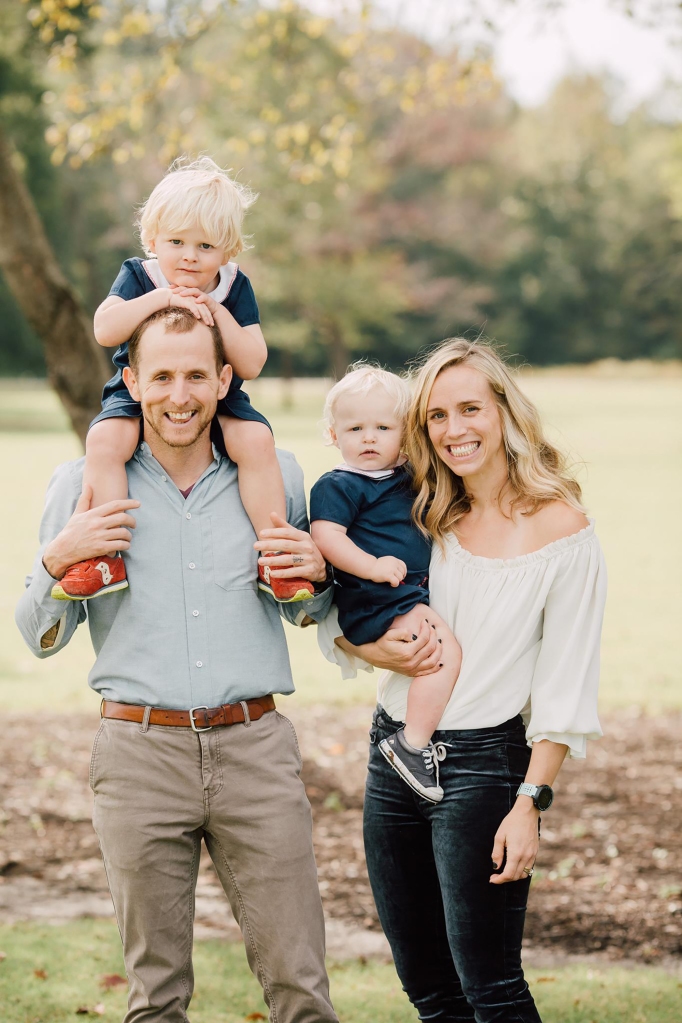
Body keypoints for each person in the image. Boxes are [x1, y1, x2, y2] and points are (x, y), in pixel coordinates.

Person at [16, 306, 338, 1023]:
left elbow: (308, 611)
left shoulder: (274, 473)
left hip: (255, 749)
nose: (180, 394)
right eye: (161, 375)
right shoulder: (83, 485)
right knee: (155, 996)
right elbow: (39, 634)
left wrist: (318, 576)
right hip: (137, 754)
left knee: (301, 986)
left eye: (197, 374)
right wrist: (56, 559)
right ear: (131, 379)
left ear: (225, 378)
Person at [318, 338, 606, 1022]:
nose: (454, 430)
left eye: (470, 408)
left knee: (492, 988)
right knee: (429, 989)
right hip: (394, 757)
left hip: (485, 771)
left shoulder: (564, 529)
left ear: (504, 410)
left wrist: (530, 800)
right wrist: (379, 649)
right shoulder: (419, 511)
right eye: (437, 416)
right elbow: (345, 618)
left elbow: (567, 682)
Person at [53, 155, 310, 603]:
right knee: (105, 442)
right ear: (152, 239)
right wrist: (160, 298)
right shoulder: (141, 276)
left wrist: (216, 312)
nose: (190, 256)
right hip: (141, 390)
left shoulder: (232, 287)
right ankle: (104, 557)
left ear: (227, 251)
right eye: (176, 241)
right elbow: (104, 329)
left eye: (206, 247)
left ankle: (277, 559)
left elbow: (251, 362)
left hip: (218, 391)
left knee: (256, 443)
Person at [310, 365, 462, 803]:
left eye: (382, 427)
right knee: (442, 655)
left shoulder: (406, 476)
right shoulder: (339, 485)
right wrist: (372, 566)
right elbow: (327, 537)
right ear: (334, 435)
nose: (369, 437)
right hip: (376, 598)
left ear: (404, 433)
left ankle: (414, 740)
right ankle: (412, 744)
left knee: (438, 652)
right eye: (355, 428)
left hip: (402, 593)